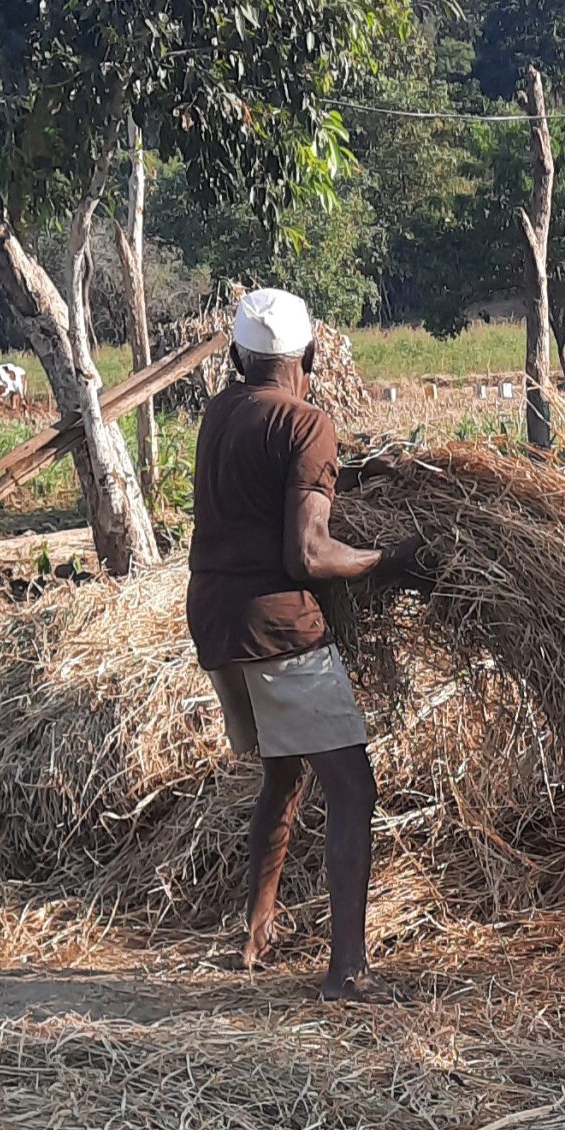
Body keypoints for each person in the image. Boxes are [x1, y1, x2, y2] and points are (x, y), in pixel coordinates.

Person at [187, 288, 425, 1000]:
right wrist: (390, 563)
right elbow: (309, 553)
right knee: (353, 787)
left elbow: (275, 485)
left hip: (214, 619)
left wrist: (352, 473)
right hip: (277, 627)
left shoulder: (221, 410)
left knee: (285, 774)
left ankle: (256, 933)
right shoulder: (306, 420)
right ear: (312, 356)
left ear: (236, 358)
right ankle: (347, 972)